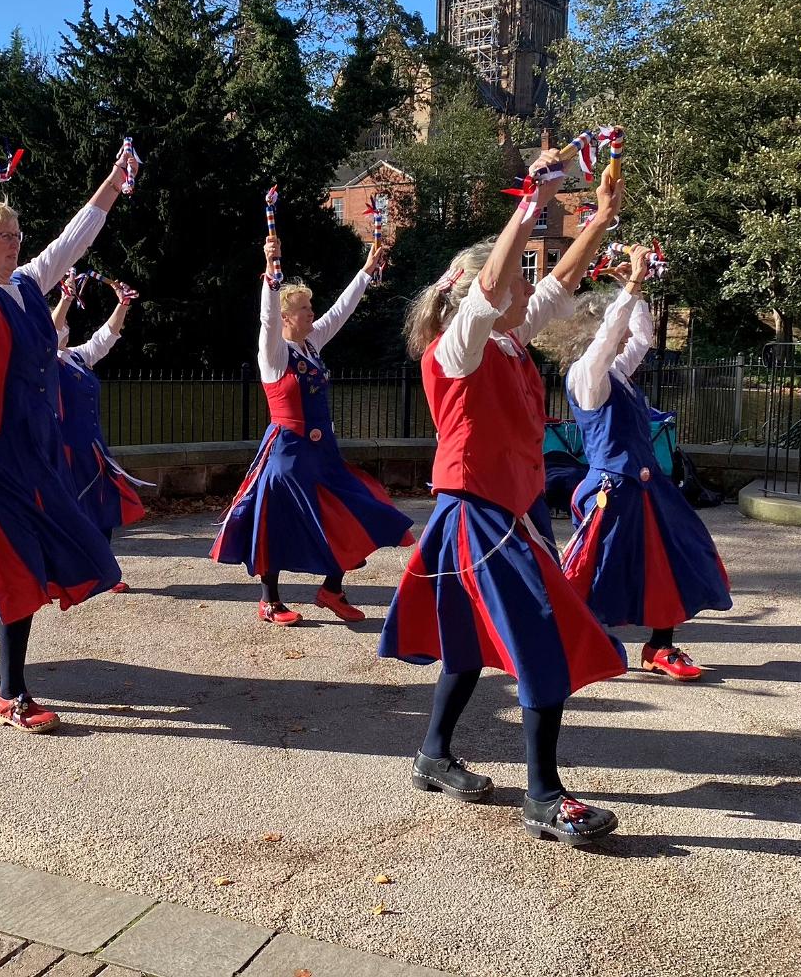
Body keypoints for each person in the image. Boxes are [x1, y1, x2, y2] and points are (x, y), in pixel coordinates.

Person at [379, 155, 629, 846]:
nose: (527, 287)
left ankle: (432, 755)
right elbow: (490, 290)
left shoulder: (511, 344)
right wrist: (531, 204)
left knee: (466, 648)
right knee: (542, 637)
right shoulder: (458, 346)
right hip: (479, 516)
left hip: (506, 515)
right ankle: (544, 796)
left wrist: (601, 218)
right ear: (476, 292)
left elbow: (562, 280)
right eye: (515, 276)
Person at [0, 113, 136, 733]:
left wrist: (111, 183)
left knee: (2, 555)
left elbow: (73, 242)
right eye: (6, 234)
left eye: (19, 233)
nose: (16, 242)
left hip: (26, 441)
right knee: (13, 555)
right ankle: (15, 688)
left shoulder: (27, 287)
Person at [211, 235, 413, 625]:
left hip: (323, 453)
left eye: (309, 307)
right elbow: (266, 318)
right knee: (278, 521)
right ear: (286, 317)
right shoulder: (274, 353)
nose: (311, 313)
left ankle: (331, 589)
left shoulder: (311, 344)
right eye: (303, 309)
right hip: (287, 452)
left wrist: (367, 271)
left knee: (359, 508)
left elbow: (340, 311)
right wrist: (271, 270)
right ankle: (270, 600)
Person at [560, 246, 732, 680]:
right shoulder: (586, 376)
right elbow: (607, 342)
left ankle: (660, 646)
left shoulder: (617, 372)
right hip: (611, 490)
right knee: (597, 570)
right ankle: (570, 641)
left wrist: (632, 293)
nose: (617, 335)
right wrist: (632, 285)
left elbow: (641, 338)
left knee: (672, 558)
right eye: (609, 325)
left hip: (649, 485)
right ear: (594, 332)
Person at [52, 273, 148, 591]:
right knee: (73, 512)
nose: (63, 332)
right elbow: (51, 330)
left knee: (103, 508)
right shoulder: (43, 363)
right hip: (65, 451)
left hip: (92, 448)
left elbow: (106, 337)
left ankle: (102, 569)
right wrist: (66, 297)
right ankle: (73, 572)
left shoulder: (77, 357)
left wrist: (122, 304)